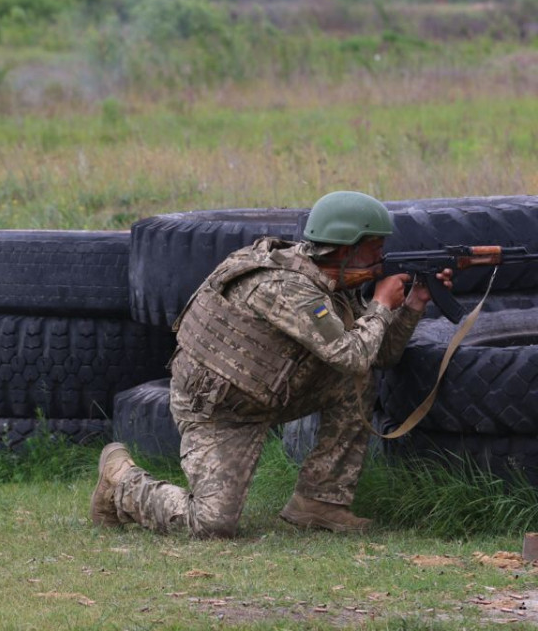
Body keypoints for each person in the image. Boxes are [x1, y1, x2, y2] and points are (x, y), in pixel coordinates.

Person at [90, 190, 453, 538]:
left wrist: (413, 306)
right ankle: (121, 481)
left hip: (272, 390)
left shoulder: (332, 283)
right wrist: (381, 306)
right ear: (346, 249)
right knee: (211, 525)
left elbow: (379, 355)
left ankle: (319, 502)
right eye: (375, 251)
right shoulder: (284, 287)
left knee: (354, 380)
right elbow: (353, 354)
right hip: (220, 408)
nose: (381, 260)